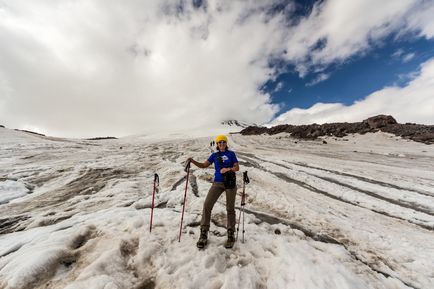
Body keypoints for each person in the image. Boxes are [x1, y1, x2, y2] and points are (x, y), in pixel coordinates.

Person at [187, 134, 240, 249]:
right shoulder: (214, 155)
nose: (221, 144)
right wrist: (192, 161)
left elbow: (237, 167)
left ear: (226, 143)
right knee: (207, 205)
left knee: (230, 209)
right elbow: (203, 165)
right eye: (219, 142)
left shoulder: (231, 154)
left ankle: (231, 234)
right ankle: (203, 233)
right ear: (217, 144)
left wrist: (228, 169)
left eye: (223, 142)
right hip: (217, 183)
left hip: (230, 184)